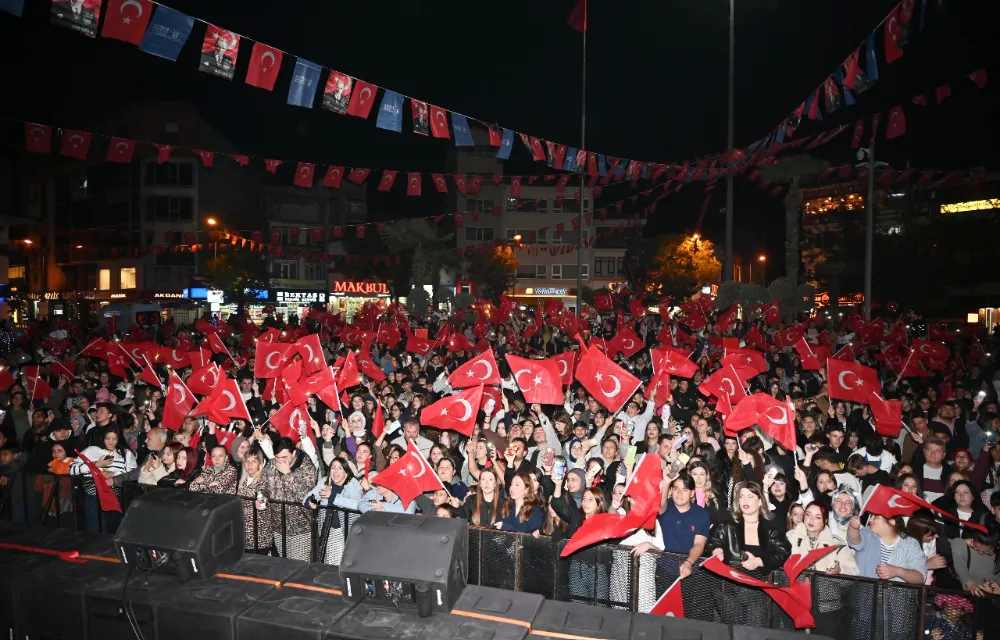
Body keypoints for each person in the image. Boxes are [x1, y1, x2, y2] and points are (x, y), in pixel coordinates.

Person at [846, 513, 926, 583]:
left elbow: (920, 577)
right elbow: (854, 540)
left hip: (896, 598)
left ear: (892, 522)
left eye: (876, 517)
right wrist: (853, 526)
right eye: (871, 516)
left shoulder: (910, 543)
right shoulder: (867, 534)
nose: (870, 519)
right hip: (865, 596)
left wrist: (897, 571)